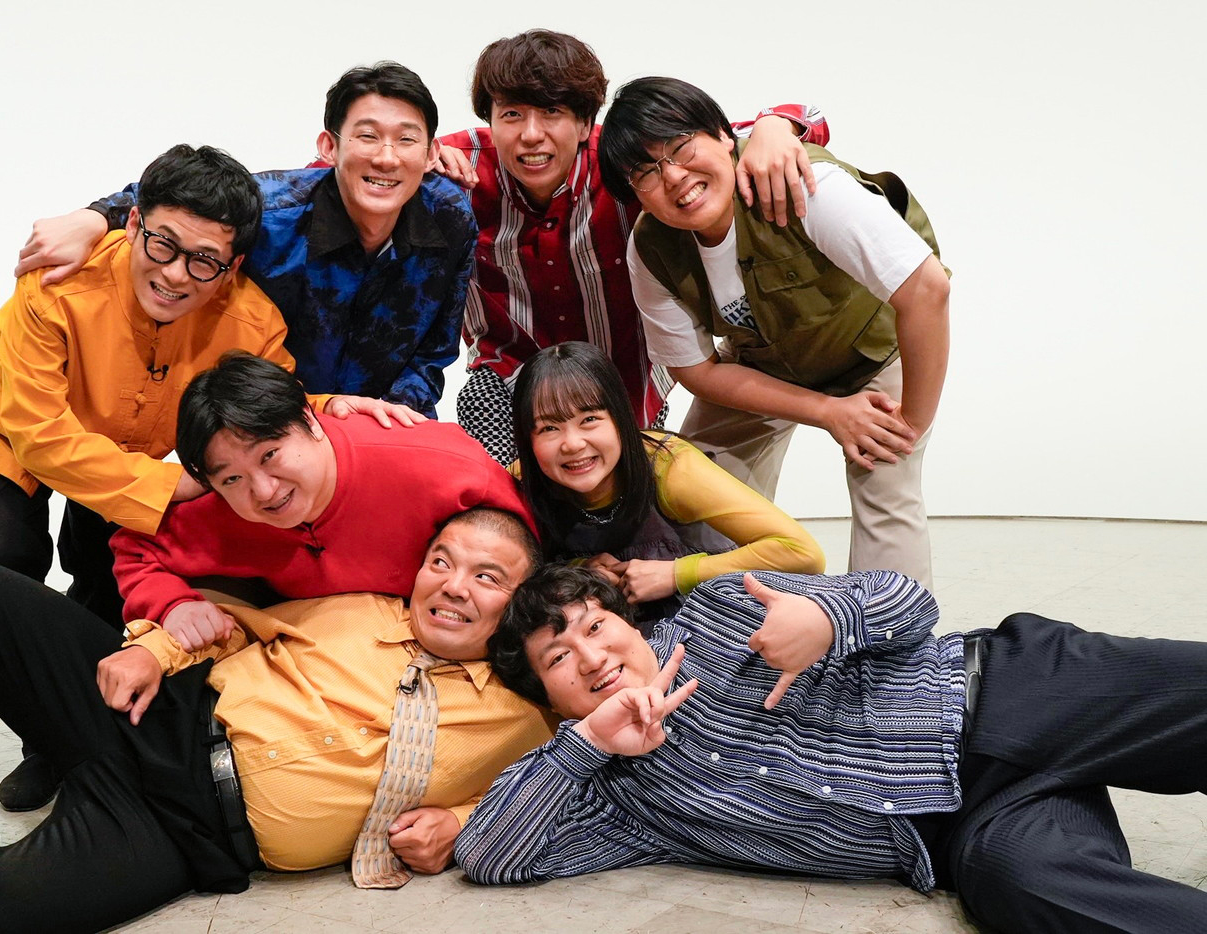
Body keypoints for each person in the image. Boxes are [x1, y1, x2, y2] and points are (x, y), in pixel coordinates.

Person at [0, 508, 554, 932]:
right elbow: (225, 626)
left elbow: (536, 802)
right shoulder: (362, 610)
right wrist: (152, 651)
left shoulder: (523, 723)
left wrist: (457, 824)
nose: (452, 587)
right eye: (441, 561)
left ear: (521, 602)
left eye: (486, 577)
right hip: (153, 715)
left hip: (183, 833)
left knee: (2, 909)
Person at [0, 145, 417, 811]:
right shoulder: (58, 283)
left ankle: (55, 745)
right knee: (14, 560)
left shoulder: (251, 319)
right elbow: (39, 431)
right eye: (162, 244)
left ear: (233, 265)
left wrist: (333, 405)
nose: (174, 274)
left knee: (105, 575)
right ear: (134, 222)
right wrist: (168, 486)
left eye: (203, 261)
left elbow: (273, 404)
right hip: (9, 423)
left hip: (122, 445)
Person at [458, 564, 1207, 933]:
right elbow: (489, 855)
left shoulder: (719, 609)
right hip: (974, 830)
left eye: (594, 627)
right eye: (558, 659)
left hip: (1004, 689)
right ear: (548, 700)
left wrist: (828, 618)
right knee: (1027, 886)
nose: (590, 657)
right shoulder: (616, 801)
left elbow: (909, 598)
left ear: (626, 620)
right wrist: (591, 743)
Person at [599, 77, 951, 587]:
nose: (674, 176)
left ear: (723, 135)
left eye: (681, 147)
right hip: (764, 360)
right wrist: (827, 411)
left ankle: (891, 630)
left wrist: (909, 427)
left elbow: (926, 290)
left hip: (875, 349)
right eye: (646, 172)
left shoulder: (805, 184)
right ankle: (723, 615)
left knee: (886, 485)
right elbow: (696, 371)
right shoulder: (650, 251)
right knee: (691, 485)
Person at [436, 29, 830, 464]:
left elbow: (746, 135)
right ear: (490, 121)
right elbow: (384, 159)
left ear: (584, 123)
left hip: (625, 386)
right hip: (507, 378)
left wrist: (774, 127)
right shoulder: (456, 168)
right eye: (511, 114)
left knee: (628, 501)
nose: (531, 135)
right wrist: (419, 163)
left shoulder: (630, 163)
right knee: (498, 491)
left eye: (552, 112)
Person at [13, 62, 474, 417]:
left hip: (381, 425)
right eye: (367, 136)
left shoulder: (450, 218)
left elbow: (433, 351)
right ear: (329, 147)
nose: (387, 158)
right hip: (263, 425)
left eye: (406, 140)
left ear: (431, 151)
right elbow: (184, 198)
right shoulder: (273, 211)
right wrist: (94, 217)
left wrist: (387, 420)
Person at [110, 351, 533, 652]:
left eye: (270, 455)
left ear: (310, 419)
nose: (264, 491)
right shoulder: (223, 510)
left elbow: (527, 549)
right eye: (233, 478)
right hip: (326, 655)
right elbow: (135, 547)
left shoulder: (440, 468)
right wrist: (172, 605)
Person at [512, 341, 823, 625]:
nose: (572, 444)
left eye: (589, 420)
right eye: (549, 428)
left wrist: (676, 574)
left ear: (620, 419)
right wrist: (578, 570)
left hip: (717, 616)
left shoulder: (668, 466)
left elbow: (802, 552)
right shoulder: (519, 482)